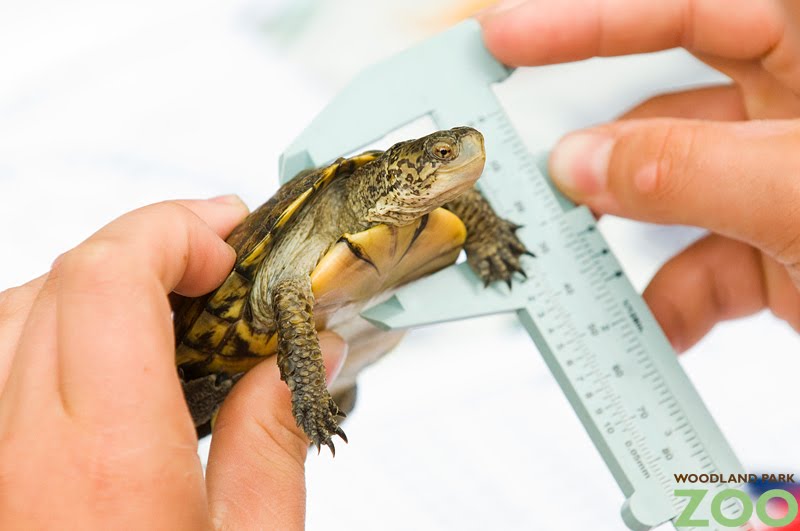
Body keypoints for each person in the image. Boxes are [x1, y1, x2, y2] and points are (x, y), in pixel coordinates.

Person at [0, 0, 797, 528]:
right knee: (198, 400)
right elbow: (281, 287)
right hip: (227, 334)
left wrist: (485, 233)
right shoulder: (340, 199)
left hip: (344, 320)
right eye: (446, 152)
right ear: (399, 167)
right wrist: (307, 393)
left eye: (463, 154)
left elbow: (464, 207)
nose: (466, 159)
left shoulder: (444, 206)